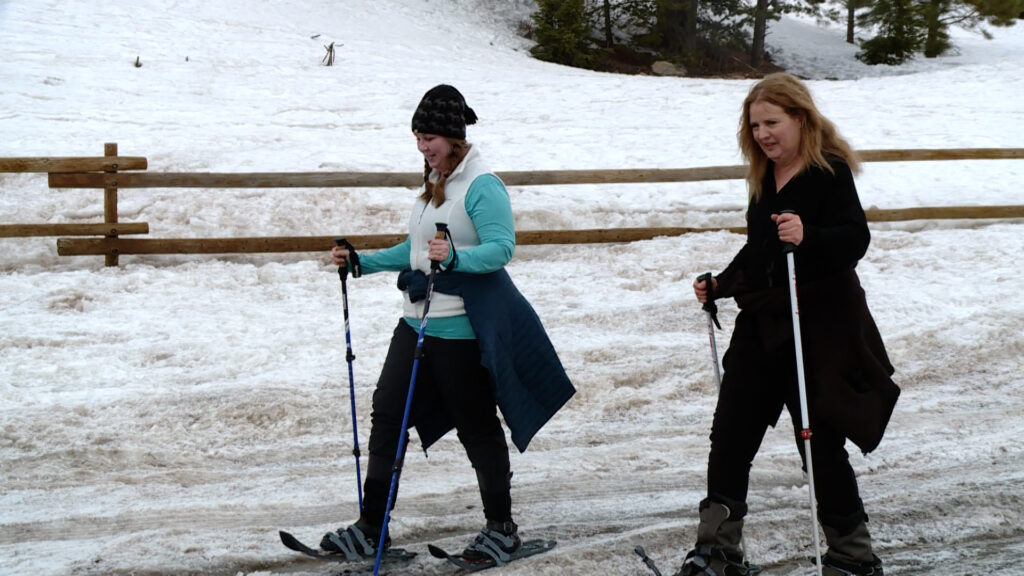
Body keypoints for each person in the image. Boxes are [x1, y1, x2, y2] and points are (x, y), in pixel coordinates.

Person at [321, 84, 575, 564]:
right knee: (388, 415)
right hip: (415, 322)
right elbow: (416, 249)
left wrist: (457, 257)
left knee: (475, 425)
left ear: (453, 137)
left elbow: (501, 248)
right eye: (417, 138)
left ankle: (501, 530)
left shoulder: (482, 185)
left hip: (459, 327)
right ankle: (372, 527)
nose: (423, 147)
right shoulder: (435, 182)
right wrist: (362, 263)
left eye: (429, 138)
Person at [678, 73, 899, 576]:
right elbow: (760, 250)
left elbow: (855, 240)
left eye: (772, 123)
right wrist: (722, 284)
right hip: (762, 326)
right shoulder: (764, 178)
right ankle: (718, 551)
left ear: (800, 118)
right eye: (755, 126)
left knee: (818, 442)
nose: (762, 134)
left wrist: (809, 236)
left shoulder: (828, 172)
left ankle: (852, 557)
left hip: (817, 329)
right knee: (730, 434)